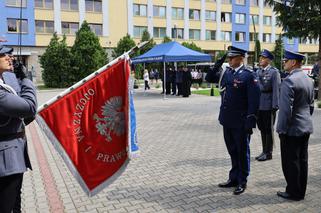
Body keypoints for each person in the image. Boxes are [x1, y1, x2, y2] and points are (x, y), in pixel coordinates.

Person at [217, 46, 260, 195]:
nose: (229, 60)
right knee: (232, 151)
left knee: (242, 152)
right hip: (227, 120)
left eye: (231, 58)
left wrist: (250, 121)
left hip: (241, 122)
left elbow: (254, 101)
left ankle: (242, 180)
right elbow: (210, 77)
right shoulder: (227, 73)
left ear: (240, 58)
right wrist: (219, 61)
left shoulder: (249, 75)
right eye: (228, 58)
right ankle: (233, 178)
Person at [0, 45, 37, 213]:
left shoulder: (4, 82)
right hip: (6, 158)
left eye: (10, 54)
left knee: (15, 200)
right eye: (3, 54)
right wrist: (26, 79)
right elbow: (29, 107)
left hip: (13, 152)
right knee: (7, 204)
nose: (10, 57)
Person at [276, 50, 314, 201]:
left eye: (285, 61)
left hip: (291, 129)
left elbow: (285, 110)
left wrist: (282, 129)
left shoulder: (289, 81)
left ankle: (293, 192)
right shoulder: (308, 79)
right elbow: (310, 106)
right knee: (302, 161)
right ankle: (300, 191)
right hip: (305, 126)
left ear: (293, 62)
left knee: (290, 162)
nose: (284, 63)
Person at [255, 49, 281, 161]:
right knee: (262, 128)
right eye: (260, 57)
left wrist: (275, 105)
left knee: (268, 129)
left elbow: (276, 89)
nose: (260, 59)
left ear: (269, 60)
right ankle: (264, 151)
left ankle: (268, 153)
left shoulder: (274, 72)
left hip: (268, 104)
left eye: (263, 58)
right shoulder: (258, 72)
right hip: (259, 105)